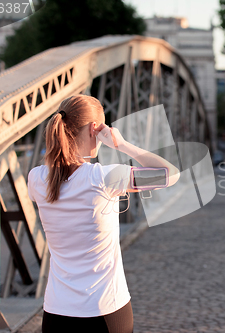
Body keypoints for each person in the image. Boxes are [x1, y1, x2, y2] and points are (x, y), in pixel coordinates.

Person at [27, 95, 180, 333]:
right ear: (94, 129)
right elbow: (171, 174)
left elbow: (62, 179)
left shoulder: (36, 179)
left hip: (57, 312)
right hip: (106, 311)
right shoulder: (105, 178)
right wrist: (122, 144)